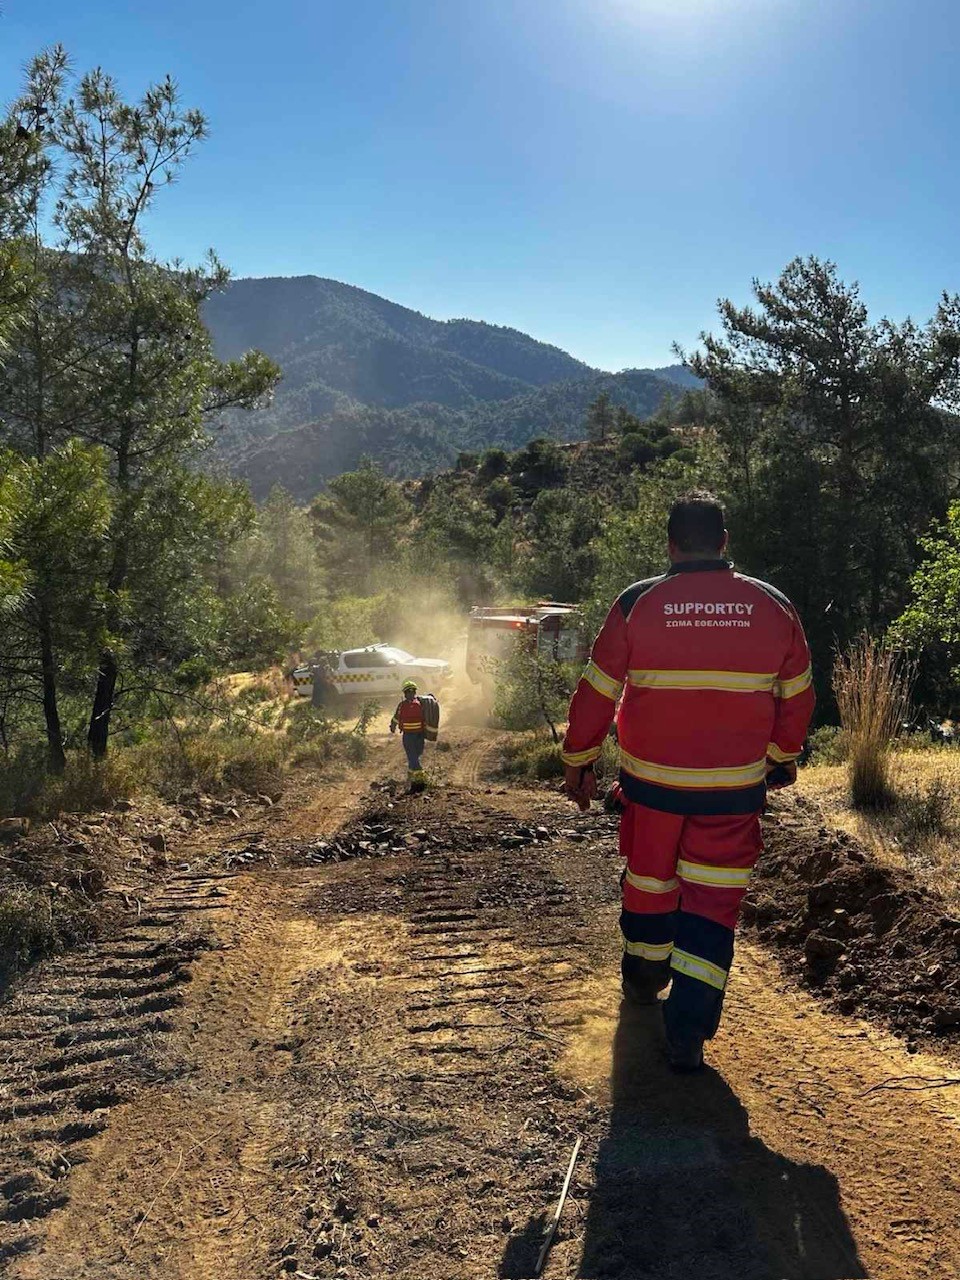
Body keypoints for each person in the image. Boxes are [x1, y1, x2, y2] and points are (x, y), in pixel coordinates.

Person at [562, 492, 815, 1071]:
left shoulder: (637, 604)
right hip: (732, 797)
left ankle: (645, 977)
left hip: (651, 792)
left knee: (650, 885)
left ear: (671, 544)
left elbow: (597, 692)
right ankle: (689, 1033)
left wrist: (578, 760)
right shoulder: (774, 607)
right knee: (711, 907)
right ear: (725, 542)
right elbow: (797, 697)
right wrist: (778, 758)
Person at [390, 680, 427, 792]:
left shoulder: (402, 705)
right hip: (420, 735)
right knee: (415, 756)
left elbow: (396, 718)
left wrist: (392, 726)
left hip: (409, 736)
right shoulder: (422, 704)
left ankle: (420, 781)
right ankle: (411, 777)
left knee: (413, 757)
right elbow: (428, 718)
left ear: (404, 693)